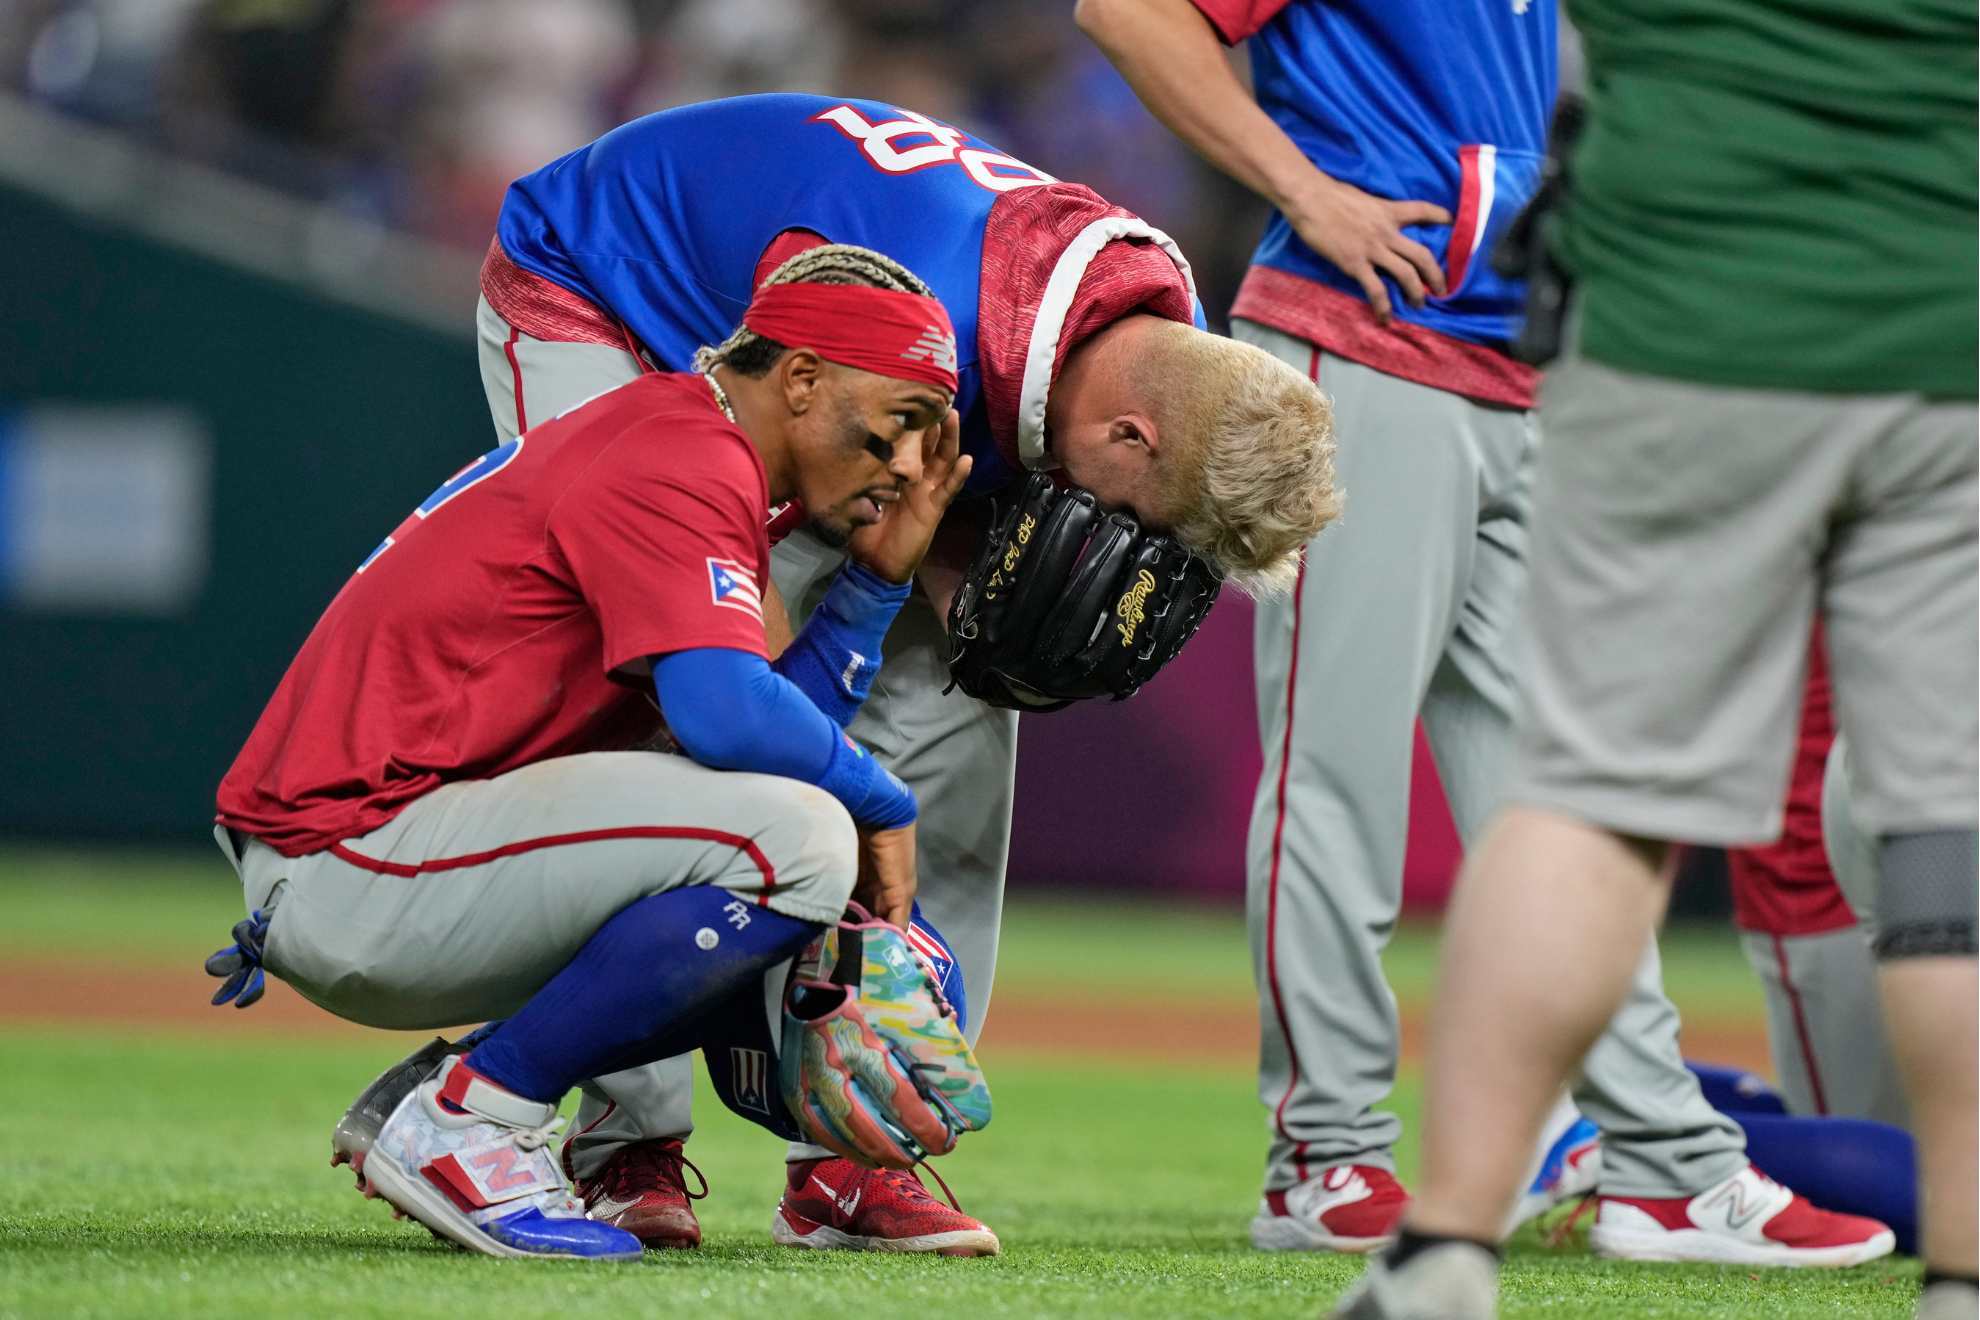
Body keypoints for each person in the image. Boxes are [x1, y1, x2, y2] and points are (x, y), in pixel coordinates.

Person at [343, 91, 1341, 1255]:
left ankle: (863, 1156)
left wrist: (940, 577)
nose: (1126, 555)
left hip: (876, 373)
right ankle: (623, 1135)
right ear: (1131, 440)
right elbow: (773, 455)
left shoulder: (1168, 342)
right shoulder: (917, 304)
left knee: (963, 724)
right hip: (617, 299)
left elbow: (974, 491)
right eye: (1140, 521)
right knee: (665, 709)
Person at [1077, 0, 1887, 1267]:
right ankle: (1324, 1157)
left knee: (1572, 798)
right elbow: (1127, 12)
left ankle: (1665, 1169)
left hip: (1515, 359)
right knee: (1332, 777)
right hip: (1362, 338)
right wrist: (1310, 190)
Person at [1336, 0, 1978, 1313]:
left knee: (1593, 802)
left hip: (1683, 311)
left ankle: (1445, 1255)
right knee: (1943, 834)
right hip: (1945, 318)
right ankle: (1963, 1277)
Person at [209, 254, 981, 1259]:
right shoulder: (681, 455)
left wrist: (875, 590)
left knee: (832, 892)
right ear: (800, 381)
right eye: (903, 415)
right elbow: (726, 719)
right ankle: (470, 1116)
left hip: (423, 848)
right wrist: (885, 800)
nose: (913, 463)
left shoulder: (691, 445)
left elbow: (753, 736)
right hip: (353, 855)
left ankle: (476, 1095)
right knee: (805, 838)